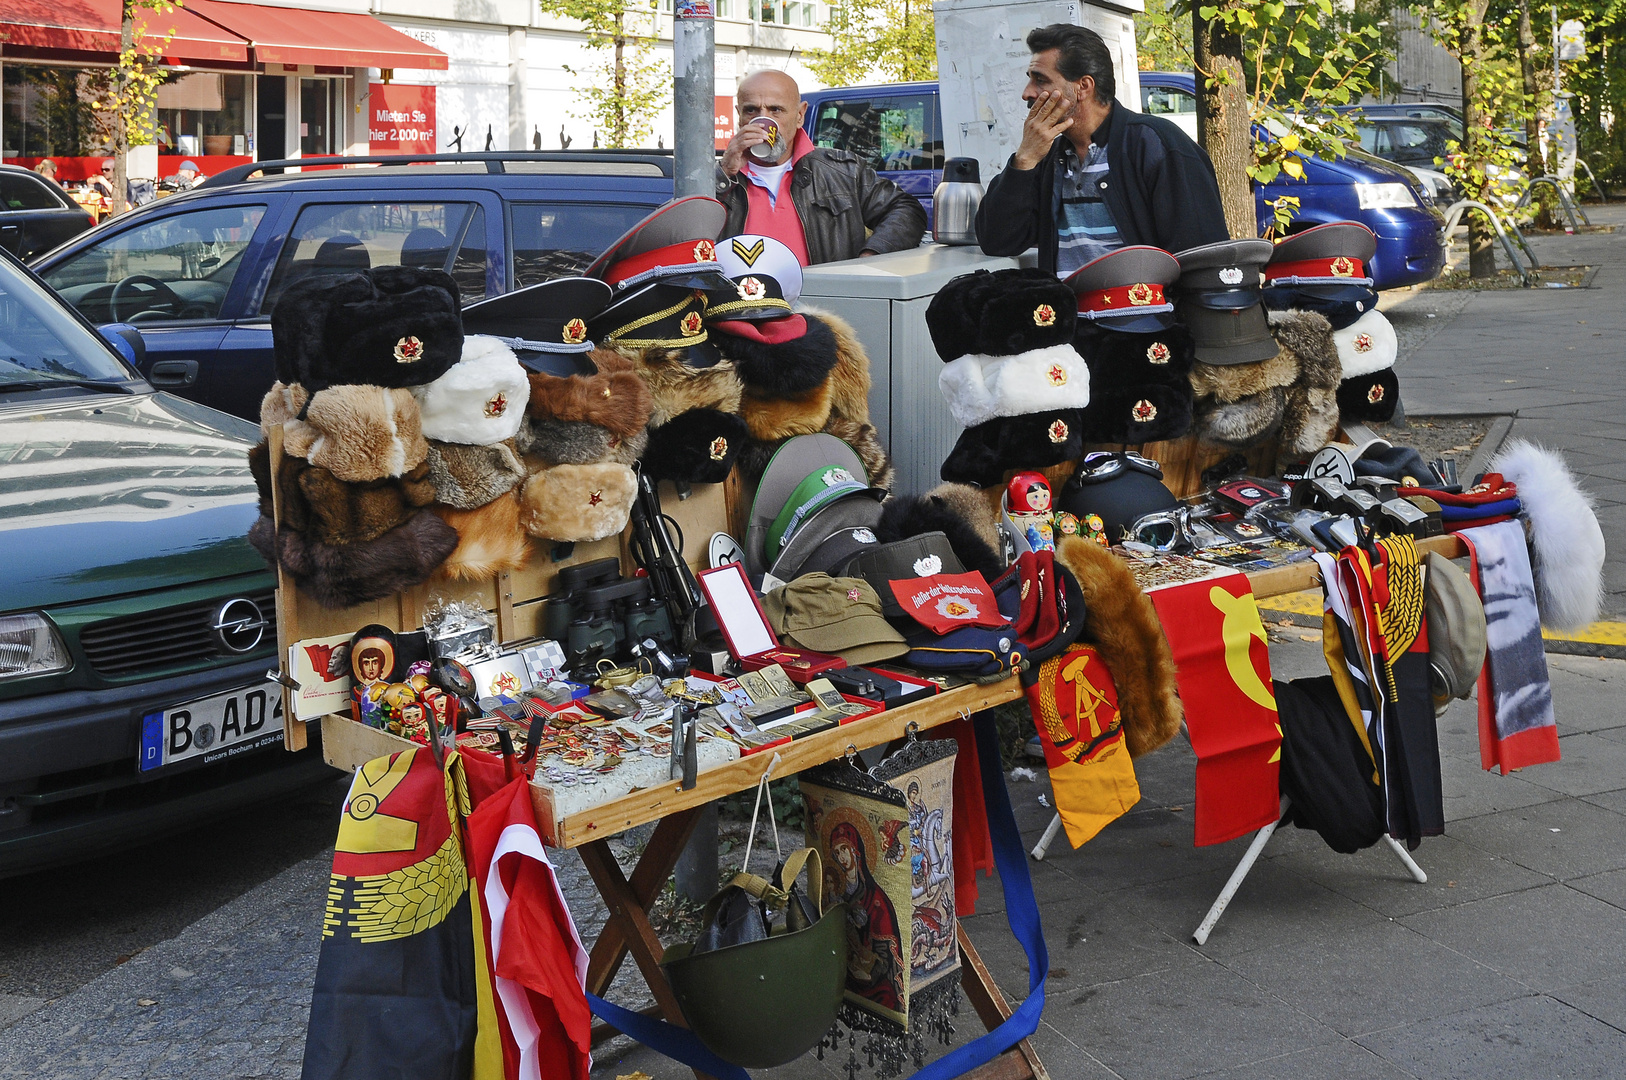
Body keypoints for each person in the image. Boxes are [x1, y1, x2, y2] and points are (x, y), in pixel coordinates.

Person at [976, 24, 1230, 277]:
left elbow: (1201, 259)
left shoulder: (1156, 145)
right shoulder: (1048, 157)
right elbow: (997, 242)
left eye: (1040, 79)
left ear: (1083, 87)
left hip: (1142, 312)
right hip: (1063, 313)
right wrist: (1025, 159)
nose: (1027, 93)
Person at [716, 69, 926, 265]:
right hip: (740, 302)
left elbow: (906, 210)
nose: (763, 120)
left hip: (820, 301)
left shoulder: (843, 171)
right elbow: (686, 231)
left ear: (800, 115)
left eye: (776, 110)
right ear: (739, 116)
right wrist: (723, 173)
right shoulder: (717, 177)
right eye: (751, 110)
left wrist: (870, 257)